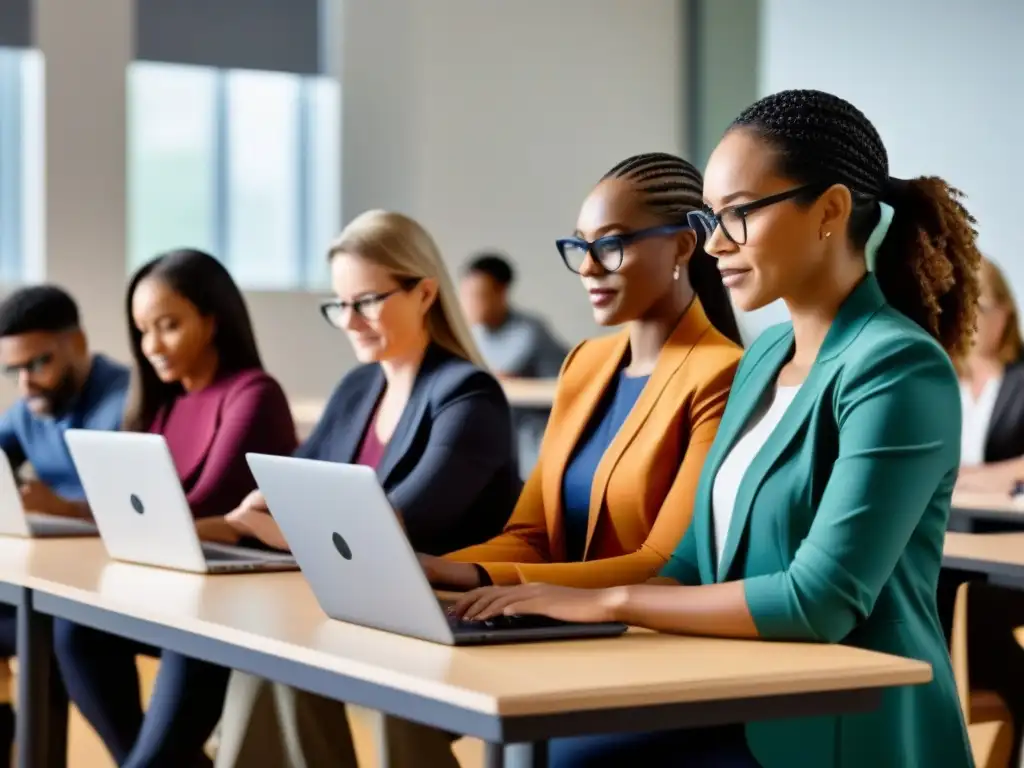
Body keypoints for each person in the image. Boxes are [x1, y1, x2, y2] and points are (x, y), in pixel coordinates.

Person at [450, 90, 982, 768]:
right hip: (734, 690)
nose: (715, 243)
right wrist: (546, 599)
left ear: (830, 212)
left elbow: (819, 600)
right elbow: (692, 564)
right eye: (709, 218)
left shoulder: (898, 367)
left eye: (738, 215)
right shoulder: (763, 358)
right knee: (535, 744)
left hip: (837, 721)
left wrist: (607, 600)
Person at [209, 210, 520, 768]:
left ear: (424, 293)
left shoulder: (468, 396)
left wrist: (277, 525)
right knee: (264, 649)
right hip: (356, 603)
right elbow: (291, 490)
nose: (350, 322)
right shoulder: (358, 388)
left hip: (444, 612)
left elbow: (391, 530)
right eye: (340, 305)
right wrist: (270, 512)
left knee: (281, 649)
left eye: (367, 301)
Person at [53, 249, 298, 768]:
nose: (152, 346)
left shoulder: (254, 394)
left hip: (228, 603)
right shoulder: (160, 402)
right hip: (165, 588)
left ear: (212, 320)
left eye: (168, 325)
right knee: (73, 630)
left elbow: (195, 511)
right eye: (143, 330)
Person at [0, 285, 129, 764]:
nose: (25, 384)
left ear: (78, 343)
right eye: (12, 370)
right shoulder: (29, 409)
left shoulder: (126, 401)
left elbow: (142, 514)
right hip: (47, 584)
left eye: (37, 363)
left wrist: (66, 507)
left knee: (57, 642)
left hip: (102, 592)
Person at [460, 252, 568, 474]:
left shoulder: (532, 333)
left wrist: (517, 385)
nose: (470, 304)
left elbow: (564, 386)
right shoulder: (468, 337)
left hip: (531, 441)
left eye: (479, 295)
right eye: (466, 295)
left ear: (501, 292)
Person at [955, 257, 1024, 493]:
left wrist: (977, 478)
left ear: (1006, 312)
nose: (970, 320)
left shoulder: (1020, 378)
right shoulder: (939, 375)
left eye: (980, 307)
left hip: (1002, 519)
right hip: (944, 518)